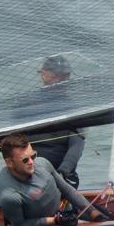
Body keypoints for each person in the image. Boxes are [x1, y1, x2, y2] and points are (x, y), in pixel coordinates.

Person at [0, 132, 107, 226]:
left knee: (110, 221)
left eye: (33, 156)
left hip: (66, 212)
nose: (32, 162)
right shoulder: (9, 196)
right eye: (25, 160)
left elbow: (68, 190)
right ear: (9, 162)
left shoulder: (42, 163)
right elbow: (20, 225)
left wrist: (93, 212)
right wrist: (54, 221)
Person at [33, 55, 85, 188]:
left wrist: (63, 172)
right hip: (30, 173)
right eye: (58, 76)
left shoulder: (74, 110)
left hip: (62, 176)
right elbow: (12, 144)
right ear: (43, 75)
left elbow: (76, 147)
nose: (63, 80)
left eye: (66, 76)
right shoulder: (24, 106)